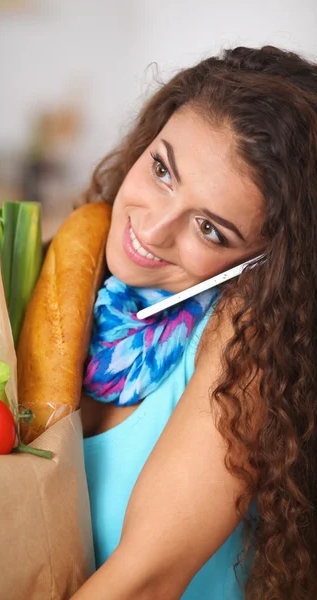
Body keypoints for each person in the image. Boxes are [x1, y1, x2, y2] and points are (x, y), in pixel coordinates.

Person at [71, 46, 317, 600]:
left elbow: (144, 582)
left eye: (210, 228)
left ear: (268, 263)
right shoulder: (83, 283)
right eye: (162, 170)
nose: (152, 230)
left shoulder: (250, 345)